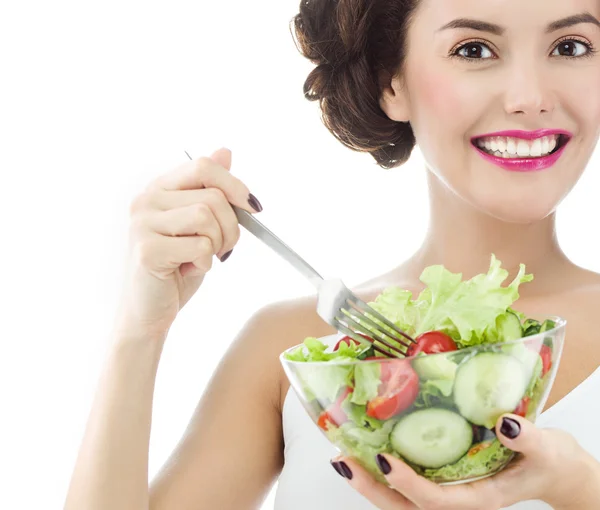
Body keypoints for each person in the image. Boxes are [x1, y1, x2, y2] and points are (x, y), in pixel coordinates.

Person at [63, 0, 600, 509]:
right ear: (391, 81)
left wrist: (579, 488)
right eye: (474, 50)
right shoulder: (291, 349)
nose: (530, 96)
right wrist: (141, 328)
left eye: (572, 47)